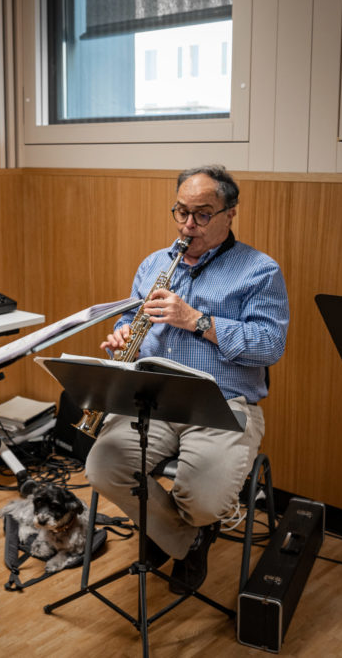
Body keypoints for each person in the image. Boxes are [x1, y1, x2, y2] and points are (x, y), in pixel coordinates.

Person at [84, 165, 288, 594]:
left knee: (205, 501)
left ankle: (173, 531)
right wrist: (124, 335)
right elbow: (132, 315)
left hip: (223, 399)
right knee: (103, 466)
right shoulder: (156, 263)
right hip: (154, 395)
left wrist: (197, 321)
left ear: (230, 213)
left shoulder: (259, 270)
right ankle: (184, 540)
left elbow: (270, 345)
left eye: (201, 214)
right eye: (180, 212)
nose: (187, 225)